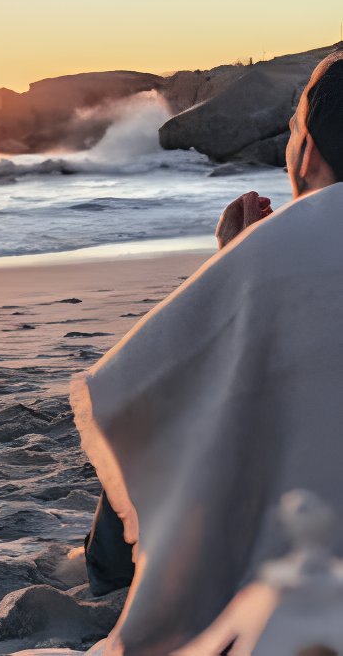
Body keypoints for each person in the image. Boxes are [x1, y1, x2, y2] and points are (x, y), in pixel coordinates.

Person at [72, 48, 343, 653]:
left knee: (158, 404)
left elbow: (156, 386)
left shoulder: (278, 249)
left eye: (294, 128)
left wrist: (233, 263)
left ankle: (112, 574)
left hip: (300, 567)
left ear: (311, 148)